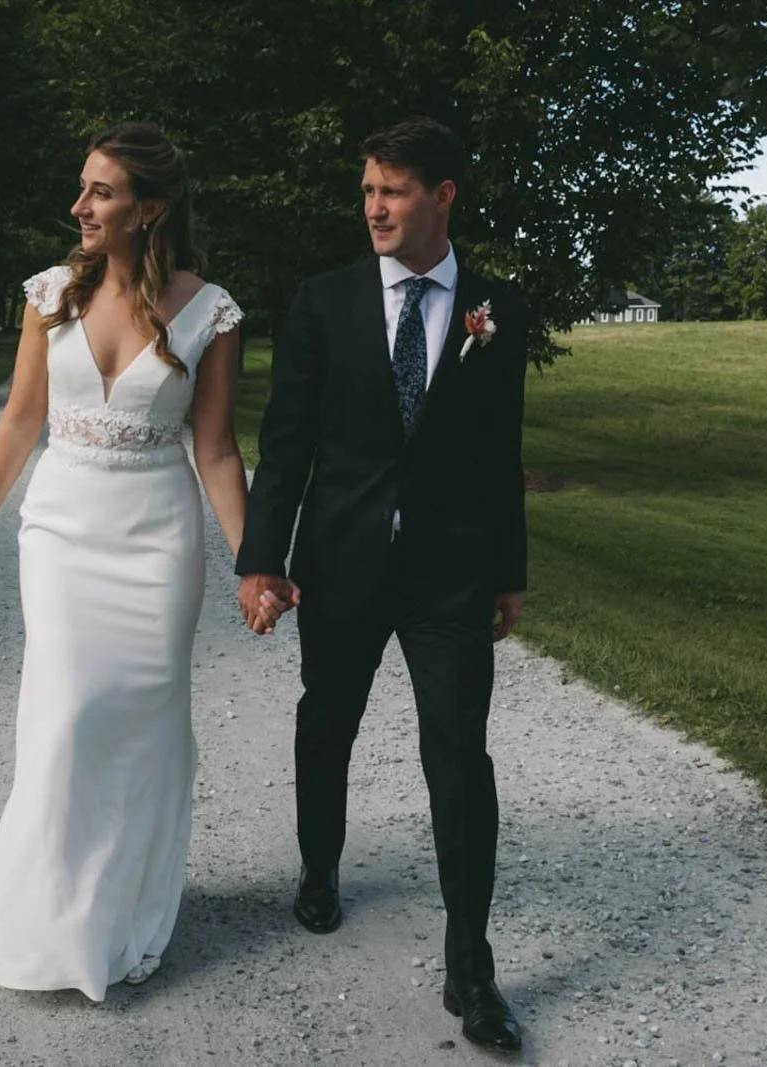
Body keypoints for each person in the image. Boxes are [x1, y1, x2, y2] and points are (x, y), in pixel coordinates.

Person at [0, 122, 247, 1001]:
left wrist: (253, 562)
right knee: (67, 714)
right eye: (82, 189)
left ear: (149, 209)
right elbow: (18, 423)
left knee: (142, 725)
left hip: (159, 538)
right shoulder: (49, 297)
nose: (79, 206)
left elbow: (217, 451)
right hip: (64, 530)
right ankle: (48, 922)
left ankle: (127, 909)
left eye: (100, 192)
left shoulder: (210, 311)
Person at [234, 116, 529, 1051]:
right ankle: (320, 867)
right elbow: (285, 446)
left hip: (450, 573)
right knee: (328, 722)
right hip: (342, 562)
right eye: (368, 190)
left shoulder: (496, 308)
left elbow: (500, 452)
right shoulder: (322, 303)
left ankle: (470, 967)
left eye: (393, 191)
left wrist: (509, 574)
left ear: (442, 197)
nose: (374, 206)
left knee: (460, 758)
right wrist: (261, 560)